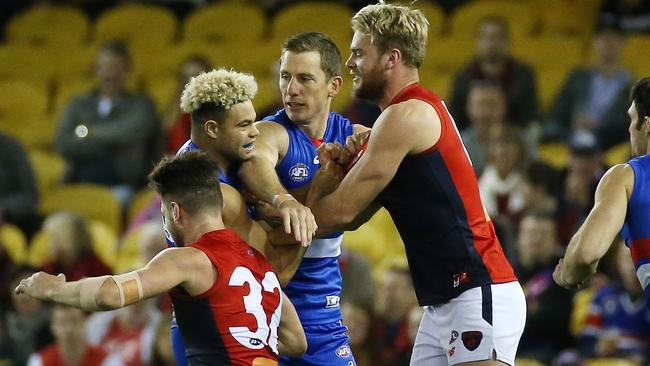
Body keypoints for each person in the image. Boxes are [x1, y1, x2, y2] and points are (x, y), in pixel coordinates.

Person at [306, 3, 526, 365]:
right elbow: (354, 216)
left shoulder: (404, 117)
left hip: (476, 288)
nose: (349, 63)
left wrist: (328, 176)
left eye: (359, 53)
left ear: (392, 58)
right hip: (446, 300)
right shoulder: (403, 118)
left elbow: (332, 216)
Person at [15, 152, 307, 365]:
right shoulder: (261, 266)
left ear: (176, 212)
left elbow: (109, 295)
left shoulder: (188, 260)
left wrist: (51, 288)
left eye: (165, 213)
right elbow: (296, 341)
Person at [168, 68, 316, 366]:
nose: (255, 132)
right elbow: (277, 272)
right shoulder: (219, 197)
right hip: (221, 334)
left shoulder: (192, 162)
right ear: (212, 129)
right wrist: (310, 218)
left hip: (205, 325)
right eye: (245, 125)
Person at [239, 31, 370, 366]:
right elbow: (255, 161)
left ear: (334, 86)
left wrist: (363, 157)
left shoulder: (354, 138)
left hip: (323, 316)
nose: (291, 89)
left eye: (305, 78)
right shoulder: (271, 131)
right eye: (285, 77)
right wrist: (285, 201)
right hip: (265, 313)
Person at [553, 77, 650, 308]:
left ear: (647, 124)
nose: (629, 128)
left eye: (632, 119)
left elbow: (586, 253)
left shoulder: (628, 177)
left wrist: (567, 273)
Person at [53, 40, 159, 204]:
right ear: (97, 69)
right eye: (106, 68)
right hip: (78, 182)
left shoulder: (141, 105)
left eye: (117, 68)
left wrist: (88, 133)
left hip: (122, 185)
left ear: (127, 70)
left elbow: (133, 133)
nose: (110, 75)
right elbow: (62, 142)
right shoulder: (78, 104)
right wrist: (116, 146)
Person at [544, 18, 632, 150]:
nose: (607, 42)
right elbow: (557, 113)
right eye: (602, 37)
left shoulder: (632, 85)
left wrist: (600, 125)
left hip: (610, 143)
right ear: (594, 42)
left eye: (613, 37)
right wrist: (571, 125)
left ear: (623, 42)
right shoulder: (577, 78)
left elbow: (632, 123)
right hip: (572, 137)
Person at [449, 16, 538, 130]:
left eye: (497, 37)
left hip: (513, 139)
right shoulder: (462, 77)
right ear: (477, 41)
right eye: (486, 37)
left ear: (508, 41)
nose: (492, 42)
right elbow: (455, 120)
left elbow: (530, 119)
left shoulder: (524, 76)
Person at [27, 305, 124, 366]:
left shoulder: (108, 361)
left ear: (84, 324)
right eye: (63, 323)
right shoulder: (39, 361)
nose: (69, 329)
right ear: (53, 328)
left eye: (74, 321)